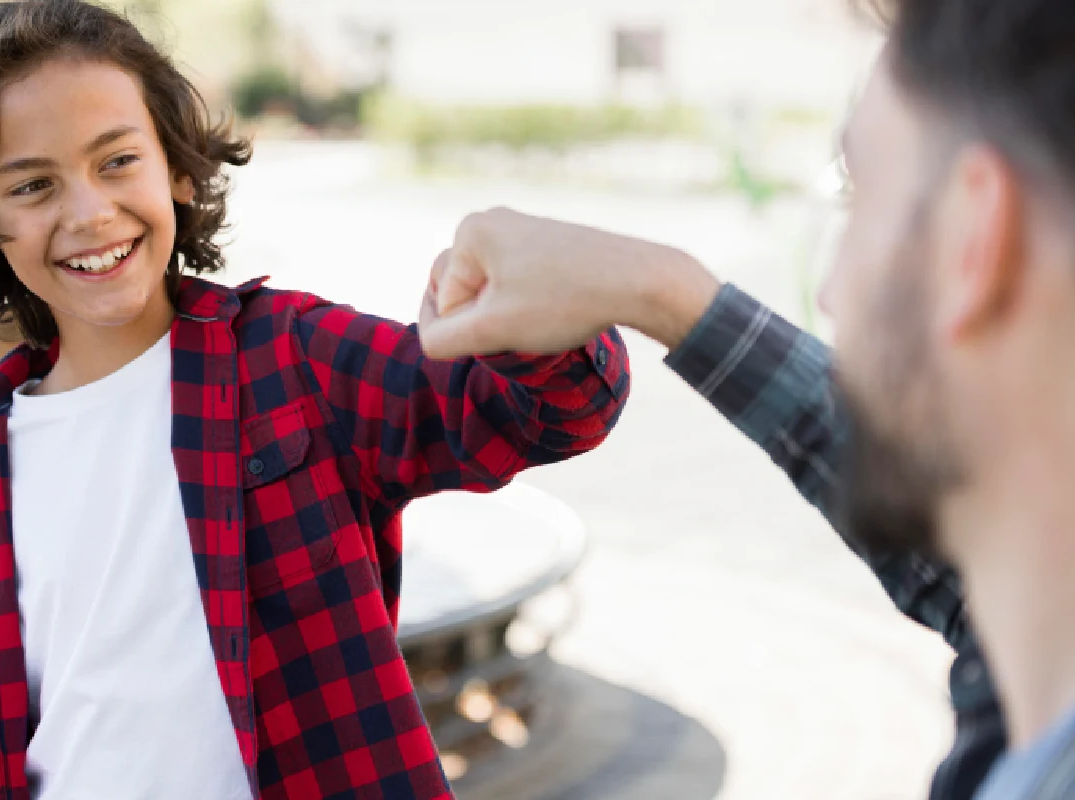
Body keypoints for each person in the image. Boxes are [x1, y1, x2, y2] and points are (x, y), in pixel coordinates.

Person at [0, 1, 630, 798]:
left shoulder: (293, 359)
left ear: (175, 166)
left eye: (116, 161)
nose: (89, 211)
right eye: (33, 185)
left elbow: (550, 413)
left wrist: (532, 315)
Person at [420, 0, 1075, 796]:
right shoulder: (1033, 647)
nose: (829, 295)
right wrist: (665, 295)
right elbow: (966, 570)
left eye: (857, 196)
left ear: (974, 238)